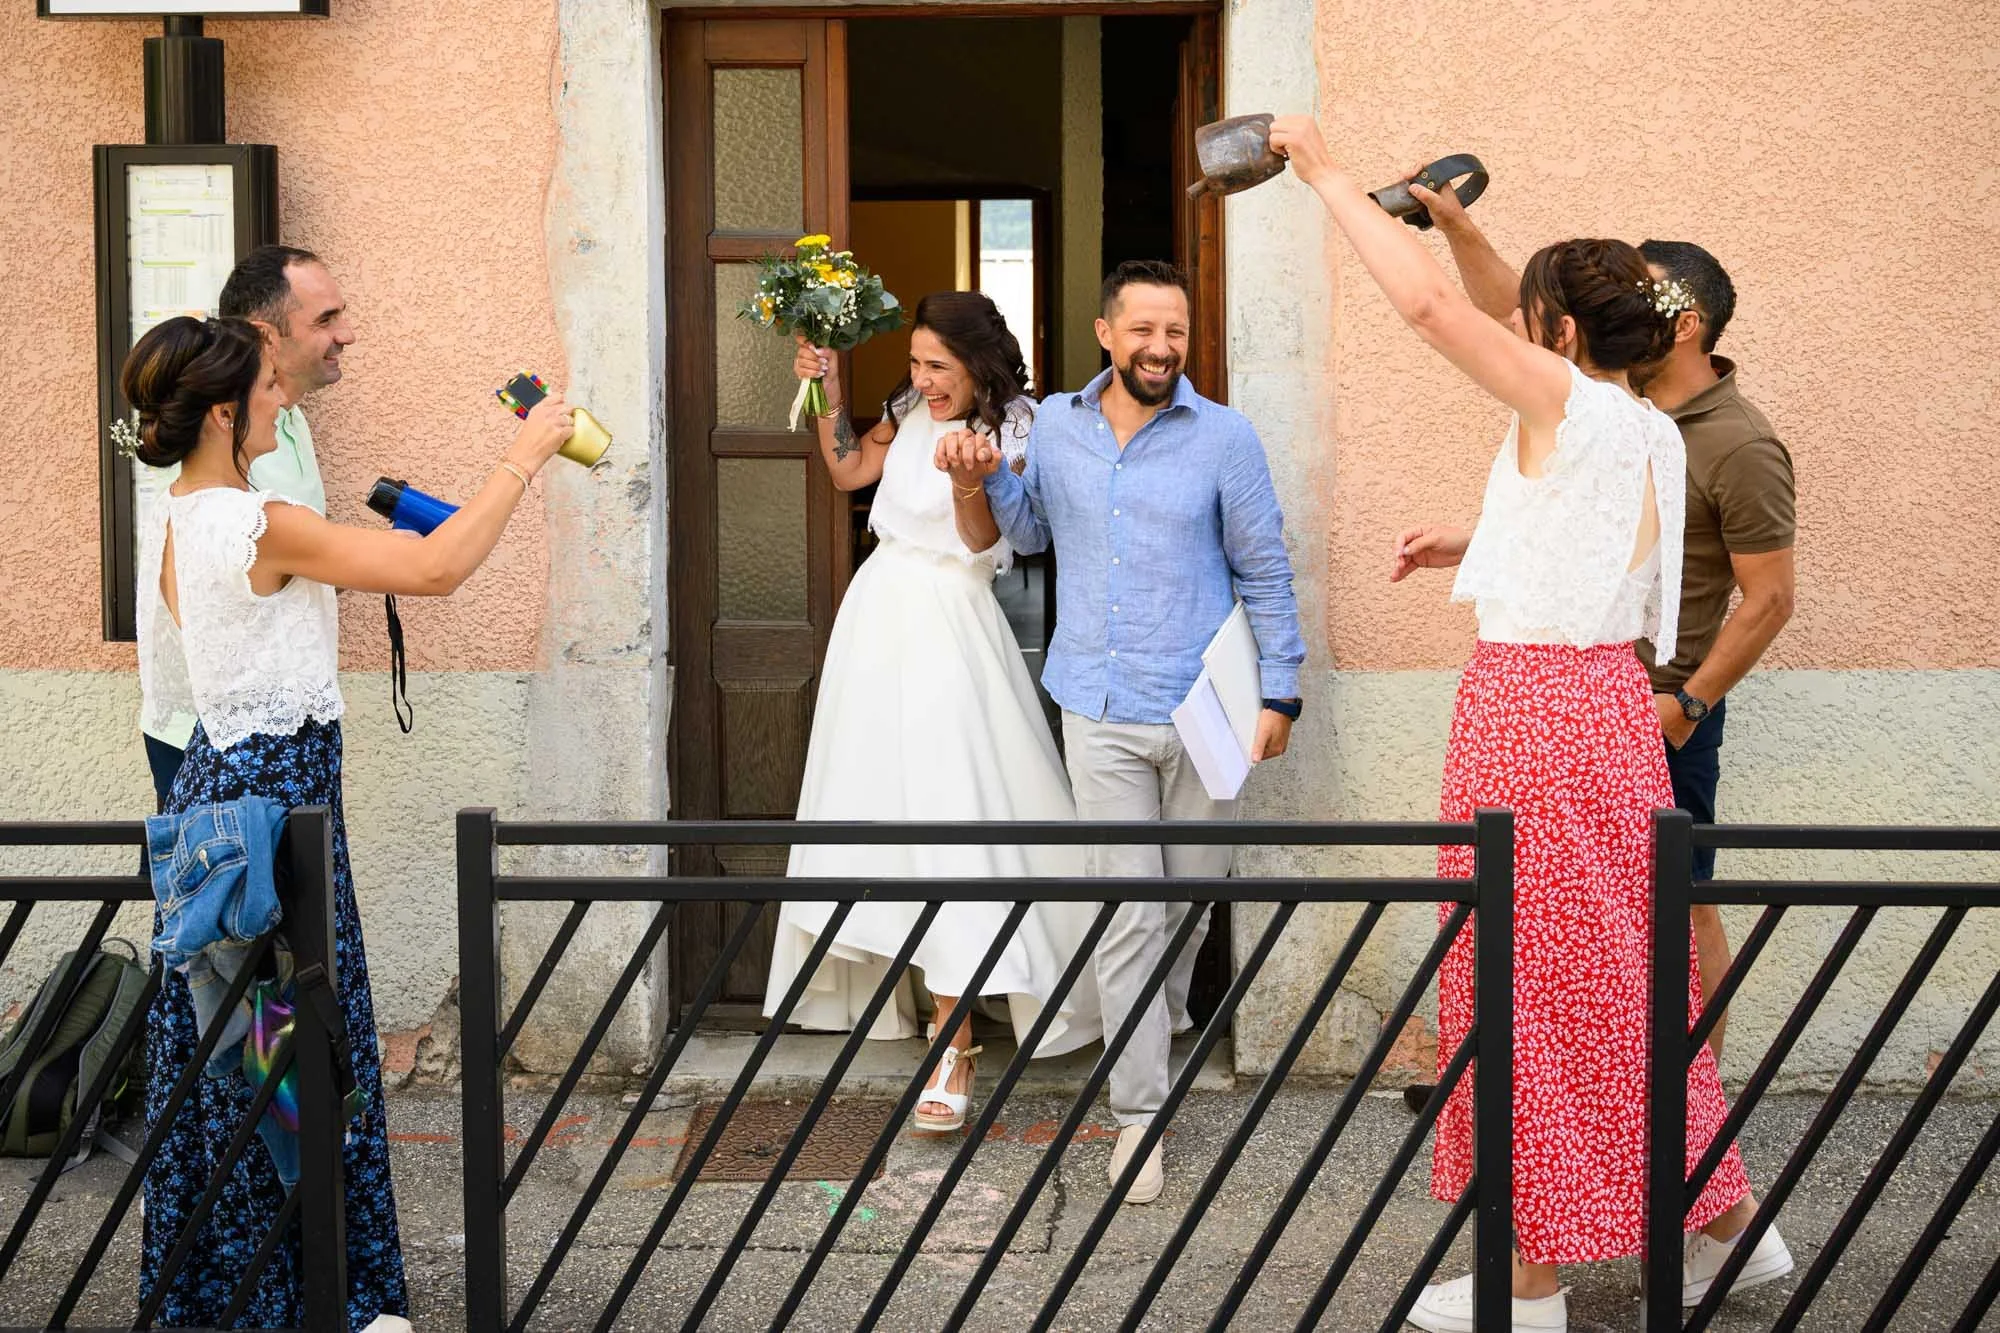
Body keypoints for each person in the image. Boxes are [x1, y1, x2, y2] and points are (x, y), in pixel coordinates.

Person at [1264, 117, 1791, 1330]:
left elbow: (1440, 318)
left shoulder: (1577, 409)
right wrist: (1475, 535)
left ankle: (1532, 1284)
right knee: (1611, 984)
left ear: (1558, 335)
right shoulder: (1647, 425)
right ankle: (1723, 1231)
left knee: (1514, 988)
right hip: (1603, 704)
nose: (1511, 324)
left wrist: (1325, 173)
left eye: (1532, 316)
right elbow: (1581, 532)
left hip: (1534, 714)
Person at [125, 314, 572, 1330]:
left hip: (228, 807)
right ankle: (308, 1300)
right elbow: (434, 571)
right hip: (271, 830)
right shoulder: (254, 522)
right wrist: (523, 453)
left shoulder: (185, 516)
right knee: (282, 1059)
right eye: (272, 388)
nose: (287, 401)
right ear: (226, 410)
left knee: (244, 1064)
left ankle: (255, 1295)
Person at [940, 260, 1306, 1205]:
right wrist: (978, 481)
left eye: (1175, 332)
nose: (1160, 347)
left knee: (1185, 905)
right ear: (1106, 332)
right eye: (1143, 329)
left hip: (1207, 710)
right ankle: (1139, 1117)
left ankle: (1159, 1016)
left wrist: (1283, 693)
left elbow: (1265, 569)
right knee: (1131, 912)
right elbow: (1024, 533)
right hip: (1096, 707)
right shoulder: (1057, 425)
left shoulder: (1224, 437)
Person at [1406, 184, 1797, 1063]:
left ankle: (1687, 1110)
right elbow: (1522, 320)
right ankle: (1586, 1105)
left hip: (1662, 699)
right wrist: (1460, 227)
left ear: (1684, 320)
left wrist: (1689, 707)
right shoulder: (1620, 409)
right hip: (1603, 700)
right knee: (1573, 928)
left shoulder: (1737, 441)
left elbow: (1770, 598)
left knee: (1677, 910)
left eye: (1641, 293)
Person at [762, 292, 1102, 1135]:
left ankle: (956, 1044)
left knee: (956, 820)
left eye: (937, 367)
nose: (921, 381)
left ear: (978, 364)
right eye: (915, 364)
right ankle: (916, 1005)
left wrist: (967, 482)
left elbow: (996, 547)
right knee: (885, 817)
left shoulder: (1021, 429)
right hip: (876, 620)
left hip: (954, 626)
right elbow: (847, 471)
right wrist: (826, 392)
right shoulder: (908, 410)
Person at [139, 244, 356, 813]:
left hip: (276, 732)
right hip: (219, 733)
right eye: (326, 320)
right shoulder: (229, 445)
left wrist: (348, 559)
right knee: (223, 896)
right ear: (267, 335)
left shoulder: (286, 420)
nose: (347, 334)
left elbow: (279, 572)